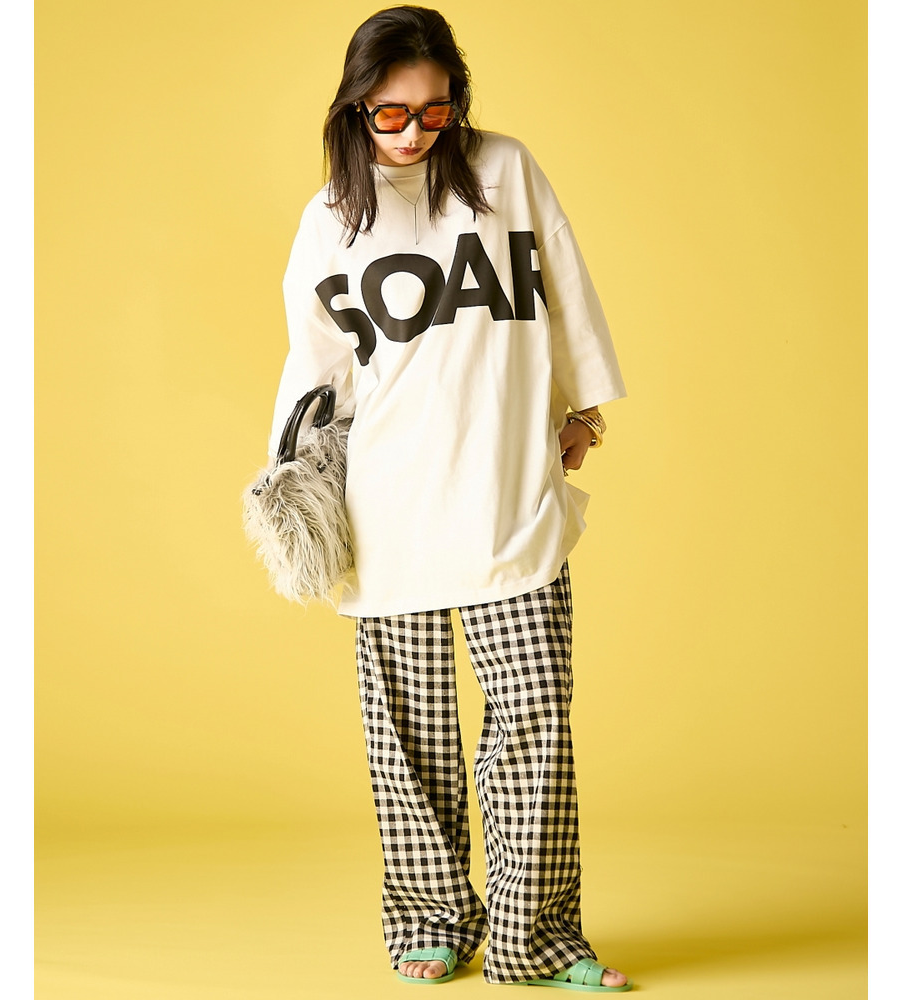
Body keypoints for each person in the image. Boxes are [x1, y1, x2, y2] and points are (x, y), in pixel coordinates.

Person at [268, 5, 632, 991]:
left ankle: (538, 936)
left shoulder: (504, 170)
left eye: (434, 111)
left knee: (533, 721)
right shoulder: (330, 218)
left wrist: (584, 410)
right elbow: (318, 365)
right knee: (409, 737)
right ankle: (432, 918)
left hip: (506, 486)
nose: (413, 132)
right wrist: (296, 489)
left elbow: (563, 286)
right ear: (355, 106)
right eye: (390, 113)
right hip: (388, 500)